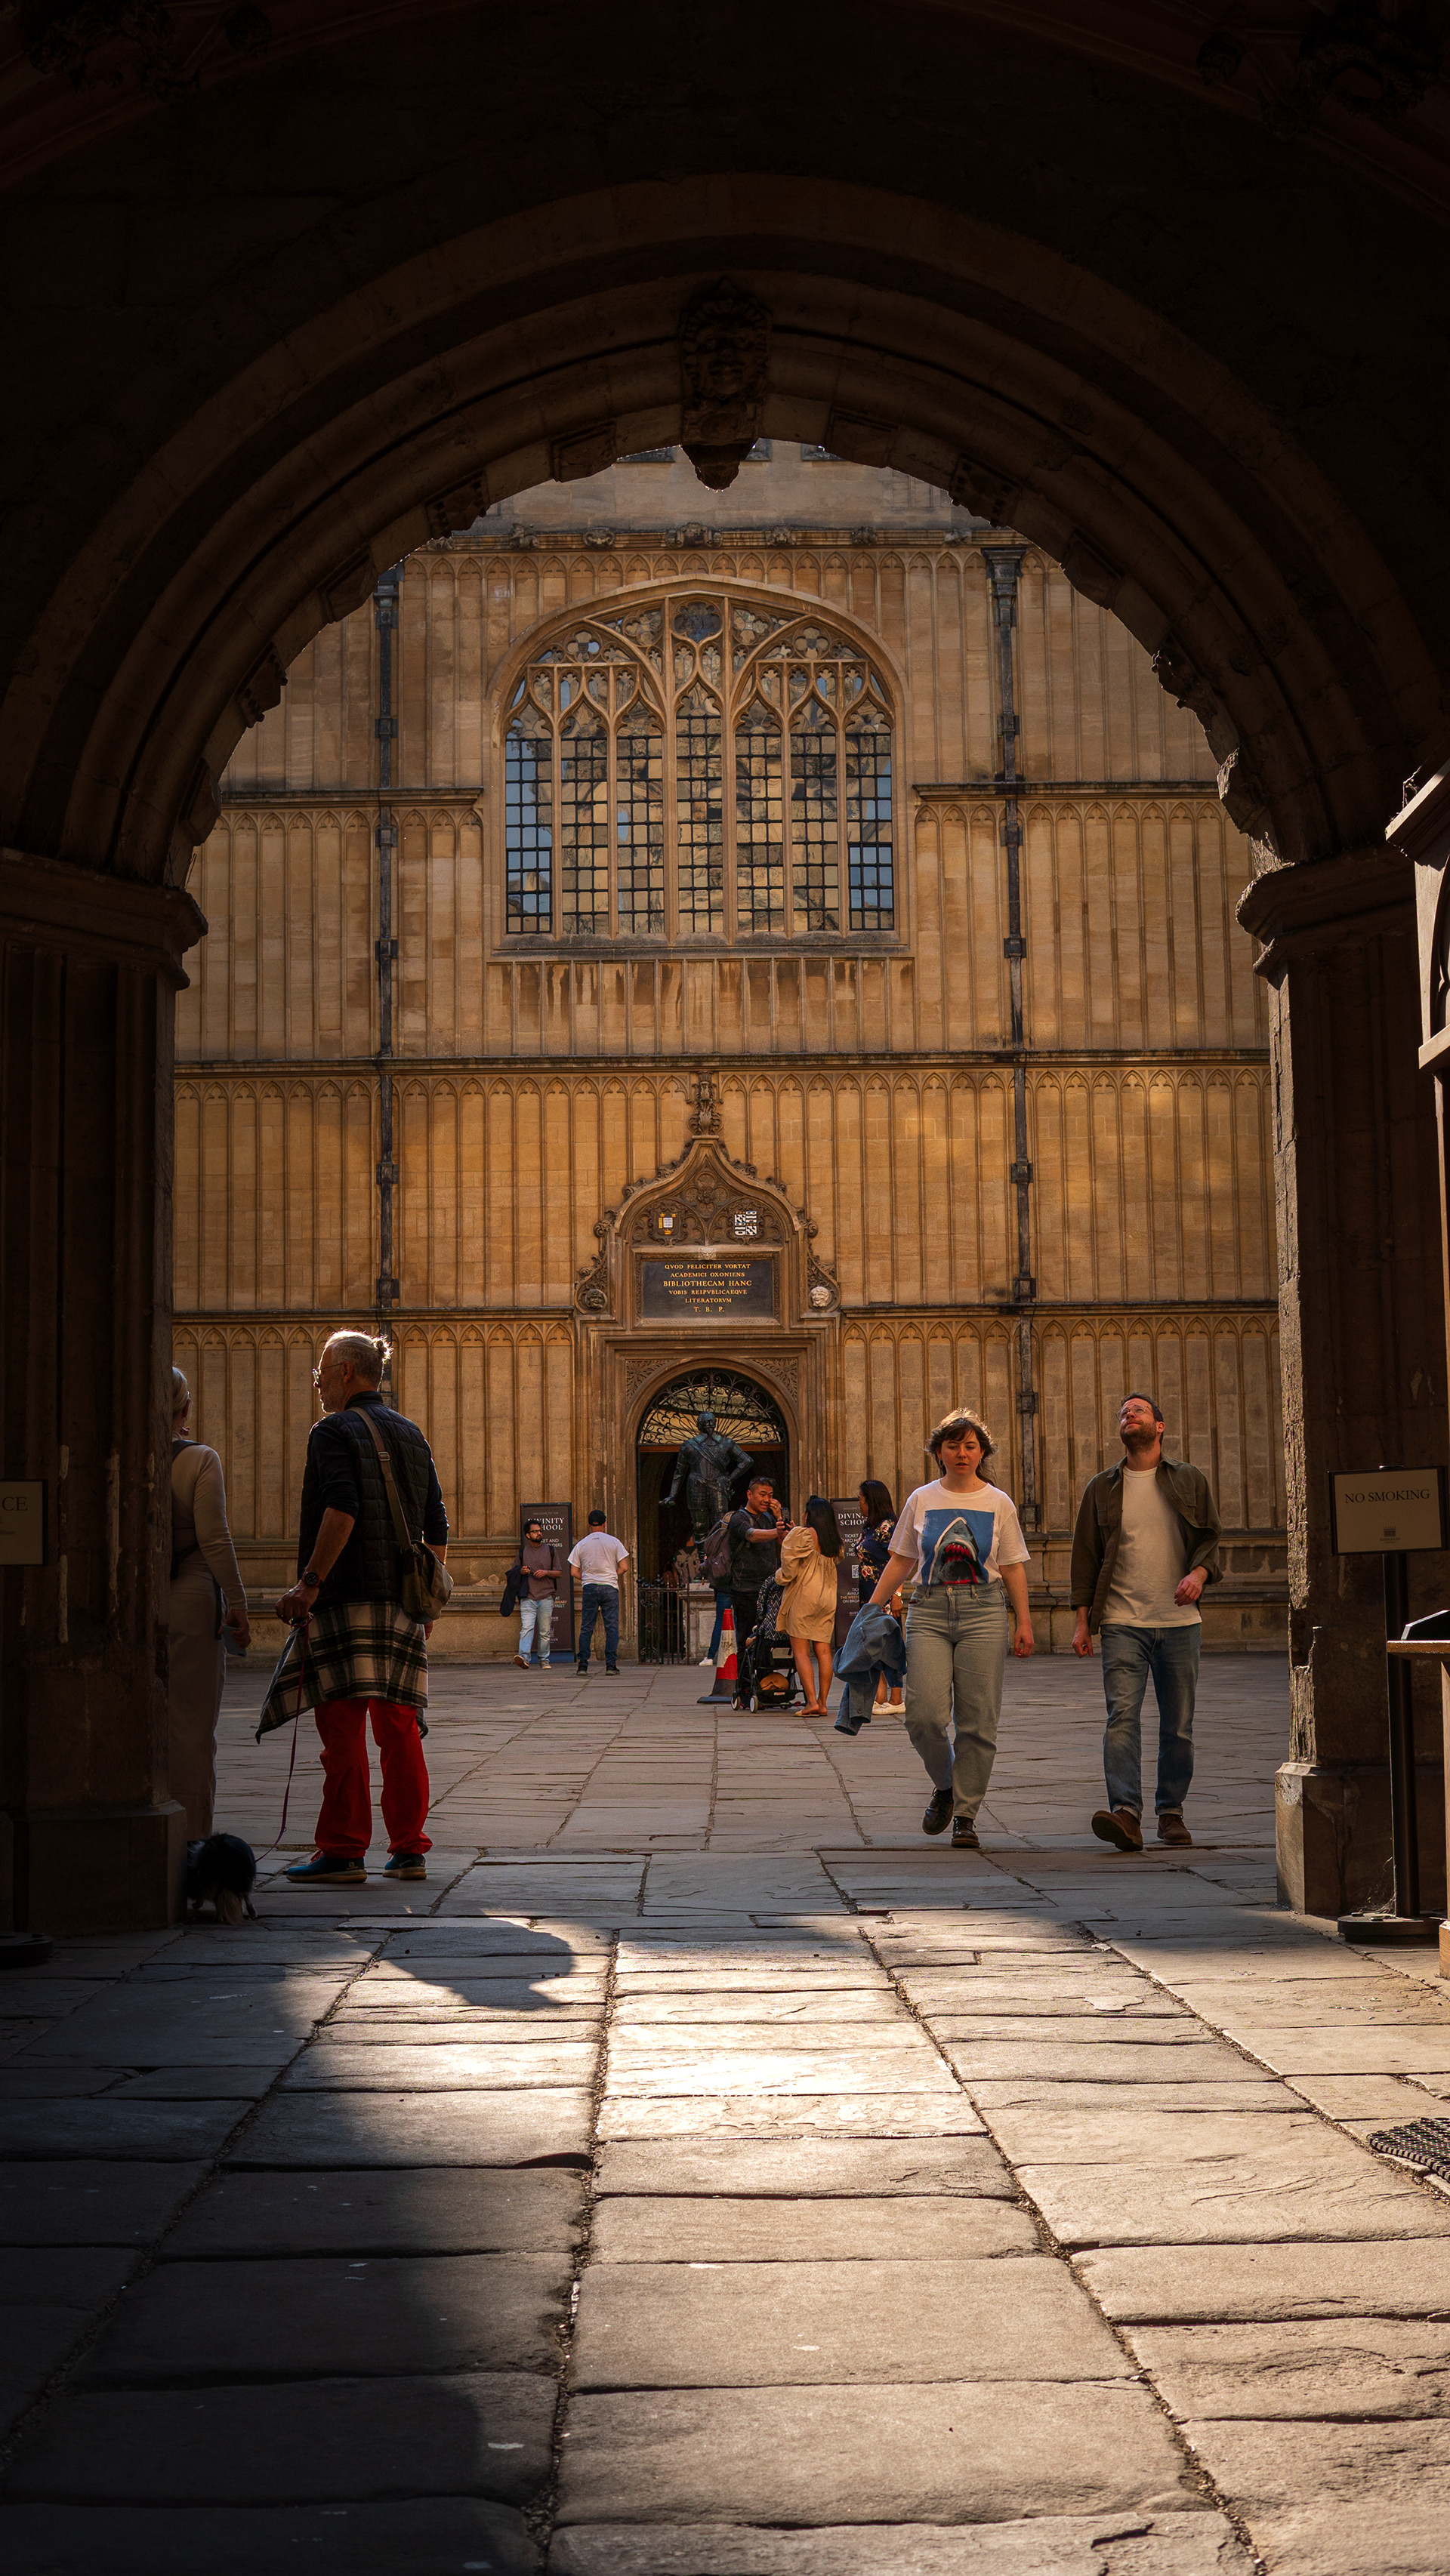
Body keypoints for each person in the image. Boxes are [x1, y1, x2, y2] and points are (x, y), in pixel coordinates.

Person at [259, 1331, 448, 1887]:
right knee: (400, 1729)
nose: (317, 1382)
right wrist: (426, 1599)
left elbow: (341, 1509)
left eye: (321, 1371)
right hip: (402, 1606)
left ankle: (343, 1850)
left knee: (341, 1729)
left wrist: (308, 1585)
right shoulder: (411, 1432)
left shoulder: (332, 1430)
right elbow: (436, 1525)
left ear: (345, 1372)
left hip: (345, 1599)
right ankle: (409, 1850)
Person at [868, 1410, 1034, 1849]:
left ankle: (965, 1815)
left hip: (984, 1611)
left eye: (970, 1446)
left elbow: (1012, 1565)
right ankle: (946, 1785)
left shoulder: (999, 1502)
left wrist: (1024, 1622)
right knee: (922, 1716)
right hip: (929, 1610)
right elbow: (902, 1559)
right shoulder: (921, 1499)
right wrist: (870, 1609)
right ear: (939, 1452)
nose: (962, 1453)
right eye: (953, 1445)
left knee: (978, 1721)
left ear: (982, 1453)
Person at [1071, 1391, 1221, 1852]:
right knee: (1122, 1718)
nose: (1128, 1415)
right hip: (1121, 1620)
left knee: (1178, 1725)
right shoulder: (1102, 1487)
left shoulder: (1189, 1479)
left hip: (1180, 1622)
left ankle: (1171, 1812)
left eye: (1137, 1410)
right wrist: (1082, 1622)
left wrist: (1198, 1574)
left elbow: (1211, 1538)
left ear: (1159, 1426)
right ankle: (1126, 1813)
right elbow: (1085, 1557)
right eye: (1123, 1412)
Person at [168, 1368, 250, 1836]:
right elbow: (215, 1538)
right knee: (191, 1728)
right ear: (183, 1408)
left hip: (133, 1601)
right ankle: (192, 1839)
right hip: (192, 1600)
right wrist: (237, 1602)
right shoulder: (199, 1459)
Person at [726, 1475, 789, 1709]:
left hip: (769, 1588)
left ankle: (766, 1686)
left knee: (767, 1640)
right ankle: (744, 1690)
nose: (766, 1499)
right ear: (749, 1495)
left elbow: (785, 1542)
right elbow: (752, 1535)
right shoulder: (738, 1518)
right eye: (762, 1495)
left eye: (770, 1496)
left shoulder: (769, 1518)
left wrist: (779, 1518)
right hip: (745, 1588)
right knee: (747, 1639)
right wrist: (776, 1530)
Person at [779, 1496, 846, 1713]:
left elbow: (789, 1570)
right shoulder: (834, 1540)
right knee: (824, 1650)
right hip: (827, 1598)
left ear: (809, 1515)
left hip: (804, 1595)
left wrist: (779, 1577)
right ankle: (823, 1703)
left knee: (801, 1651)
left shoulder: (802, 1534)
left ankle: (811, 1702)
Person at [662, 1410, 755, 1549]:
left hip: (718, 1485)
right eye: (706, 1422)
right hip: (696, 1486)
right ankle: (703, 1558)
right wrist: (672, 1495)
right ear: (699, 1425)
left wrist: (730, 1478)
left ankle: (720, 1556)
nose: (710, 1424)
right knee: (699, 1525)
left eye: (712, 1421)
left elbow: (746, 1461)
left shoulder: (726, 1443)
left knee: (721, 1524)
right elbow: (679, 1472)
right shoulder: (689, 1445)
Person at [857, 1478, 903, 1712]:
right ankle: (881, 1694)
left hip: (885, 1594)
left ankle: (897, 1698)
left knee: (890, 1644)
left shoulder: (889, 1527)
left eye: (861, 1499)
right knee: (873, 1644)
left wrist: (897, 1595)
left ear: (871, 1501)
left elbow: (901, 1561)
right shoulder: (870, 1526)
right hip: (869, 1595)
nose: (859, 1504)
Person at [570, 1508, 628, 1675]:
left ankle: (583, 1665)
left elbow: (573, 1572)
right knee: (611, 1628)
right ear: (605, 1523)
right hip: (609, 1587)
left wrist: (587, 1578)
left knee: (587, 1627)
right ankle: (611, 1665)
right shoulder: (614, 1542)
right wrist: (612, 1575)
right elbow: (624, 1567)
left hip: (590, 1587)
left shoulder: (582, 1544)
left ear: (589, 1525)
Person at [511, 1520, 562, 1668]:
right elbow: (513, 1573)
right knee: (526, 1628)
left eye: (540, 1531)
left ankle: (544, 1659)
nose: (539, 1533)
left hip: (546, 1597)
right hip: (528, 1597)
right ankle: (524, 1657)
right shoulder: (522, 1553)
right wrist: (521, 1571)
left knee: (545, 1632)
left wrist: (546, 1572)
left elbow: (559, 1572)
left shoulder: (551, 1550)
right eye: (535, 1531)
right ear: (528, 1535)